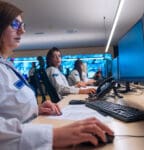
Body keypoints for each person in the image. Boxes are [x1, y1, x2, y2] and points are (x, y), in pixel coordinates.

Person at [0, 1, 113, 149]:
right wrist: (53, 136)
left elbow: (8, 106)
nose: (22, 31)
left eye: (22, 26)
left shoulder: (7, 66)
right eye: (14, 24)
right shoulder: (51, 71)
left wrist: (35, 109)